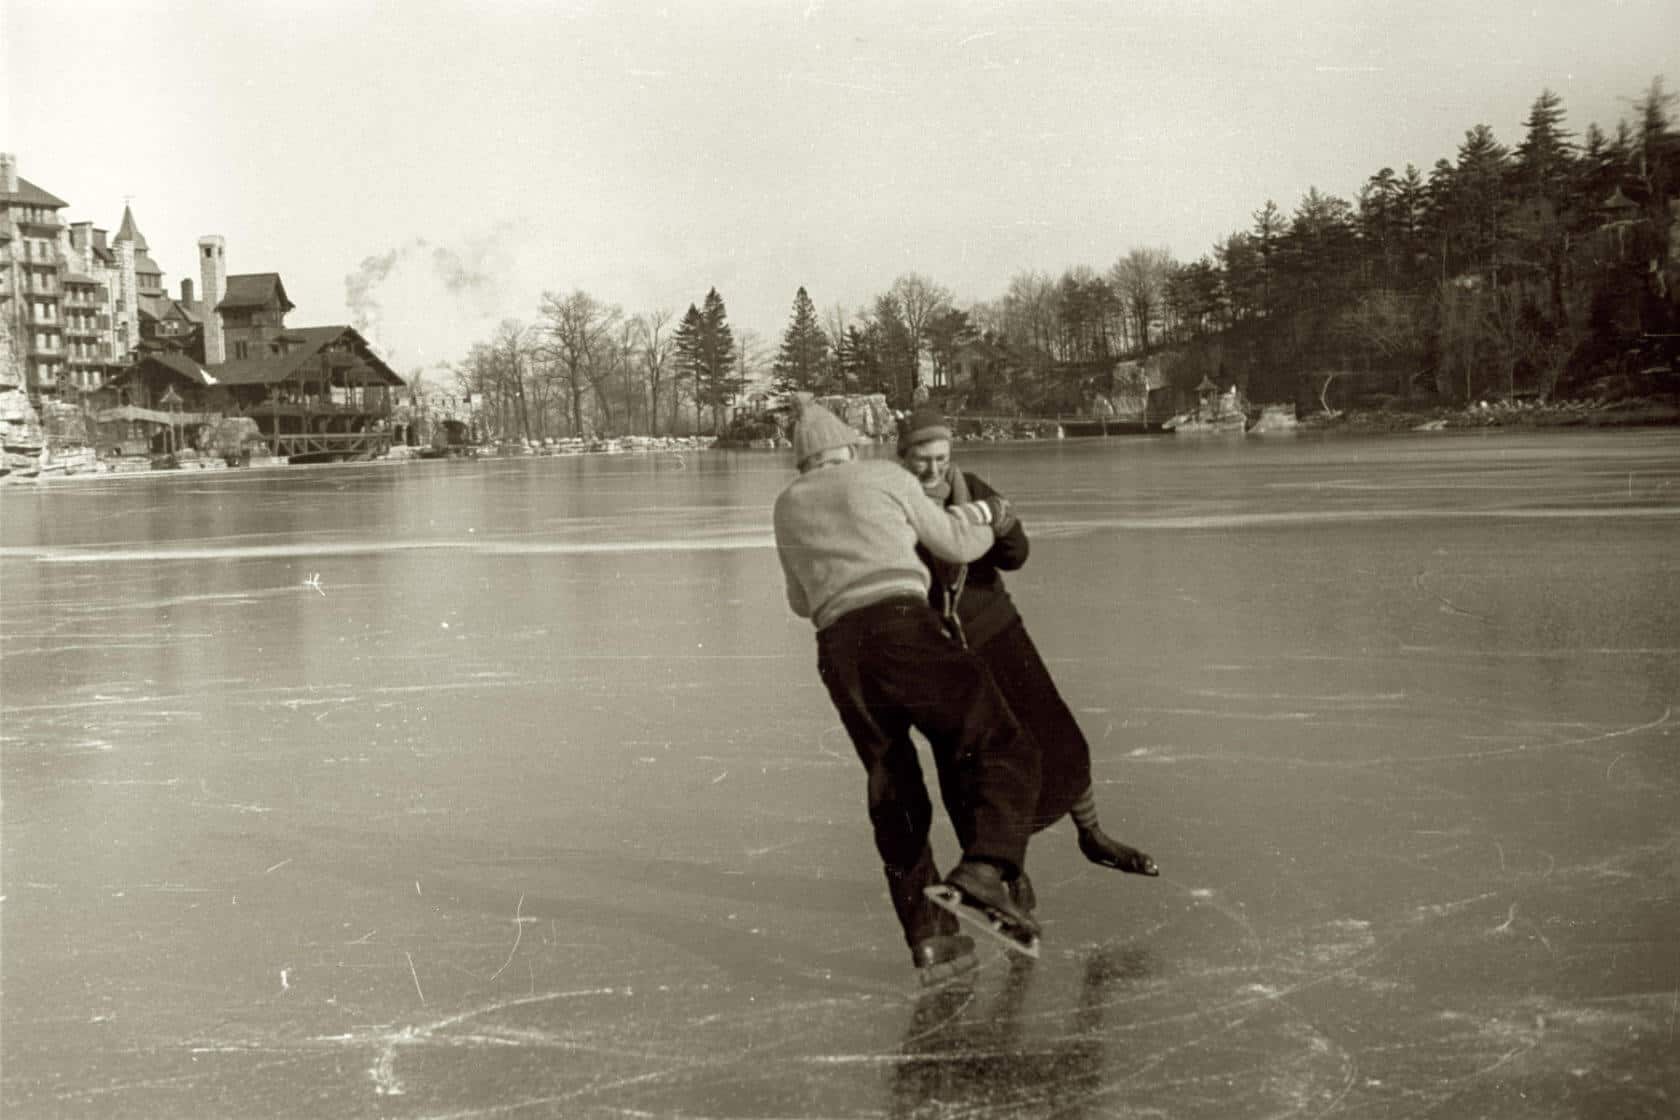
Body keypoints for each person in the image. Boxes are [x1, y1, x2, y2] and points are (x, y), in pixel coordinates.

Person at [772, 396, 1043, 980]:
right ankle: (988, 870)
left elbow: (798, 600)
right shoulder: (884, 477)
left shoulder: (787, 505)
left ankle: (931, 940)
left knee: (891, 785)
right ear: (847, 447)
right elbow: (954, 544)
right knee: (999, 740)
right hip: (902, 627)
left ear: (803, 460)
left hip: (839, 651)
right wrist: (988, 520)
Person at [896, 405, 1158, 916]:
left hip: (999, 635)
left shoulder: (968, 488)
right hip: (943, 657)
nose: (932, 471)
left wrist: (1006, 521)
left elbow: (1014, 556)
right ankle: (1003, 872)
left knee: (1055, 734)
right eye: (920, 460)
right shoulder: (893, 507)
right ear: (901, 456)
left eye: (940, 458)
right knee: (970, 771)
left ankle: (1093, 834)